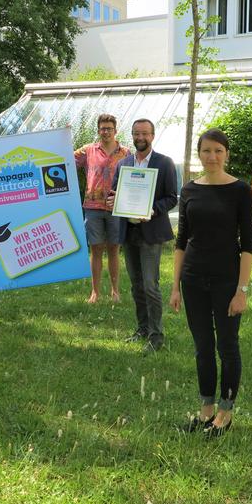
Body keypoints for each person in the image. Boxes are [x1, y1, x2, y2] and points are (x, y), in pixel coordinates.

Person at [170, 129, 252, 437]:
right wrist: (175, 286)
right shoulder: (189, 190)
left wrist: (241, 290)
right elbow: (181, 241)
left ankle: (225, 412)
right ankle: (206, 410)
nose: (212, 156)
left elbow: (248, 244)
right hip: (192, 279)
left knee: (227, 346)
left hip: (227, 280)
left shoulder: (240, 190)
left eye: (218, 150)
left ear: (226, 154)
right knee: (202, 347)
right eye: (206, 151)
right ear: (199, 154)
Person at [108, 118, 178, 354]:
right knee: (136, 285)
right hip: (128, 232)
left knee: (150, 285)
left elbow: (171, 198)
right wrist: (112, 200)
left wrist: (153, 209)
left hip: (151, 232)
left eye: (145, 134)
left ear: (152, 136)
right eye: (137, 134)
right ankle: (142, 329)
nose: (140, 138)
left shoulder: (164, 163)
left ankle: (156, 336)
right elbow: (115, 192)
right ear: (132, 135)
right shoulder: (124, 164)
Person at [74, 114, 130, 303]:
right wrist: (63, 137)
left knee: (114, 248)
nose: (106, 131)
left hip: (116, 208)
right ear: (98, 130)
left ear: (115, 130)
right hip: (92, 207)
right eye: (102, 128)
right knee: (96, 249)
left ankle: (115, 291)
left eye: (109, 128)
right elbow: (66, 160)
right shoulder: (87, 151)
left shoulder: (126, 153)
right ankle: (95, 292)